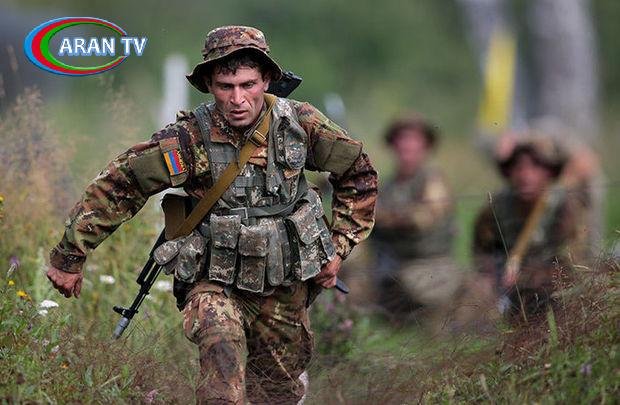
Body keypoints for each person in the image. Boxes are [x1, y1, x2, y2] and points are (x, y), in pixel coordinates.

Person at [46, 25, 378, 404]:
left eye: (248, 85)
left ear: (267, 80)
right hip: (214, 281)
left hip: (285, 284)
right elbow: (121, 184)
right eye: (225, 86)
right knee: (222, 359)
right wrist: (70, 256)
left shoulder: (299, 124)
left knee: (276, 392)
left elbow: (359, 172)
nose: (238, 99)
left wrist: (338, 247)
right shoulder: (189, 138)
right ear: (208, 85)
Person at [472, 134, 589, 321]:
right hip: (505, 286)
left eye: (535, 166)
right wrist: (491, 277)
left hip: (550, 285)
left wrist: (528, 275)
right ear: (509, 172)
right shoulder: (497, 206)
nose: (525, 175)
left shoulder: (564, 207)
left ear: (549, 172)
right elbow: (482, 251)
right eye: (518, 167)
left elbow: (574, 260)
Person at [372, 114, 460, 323]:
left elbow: (423, 218)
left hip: (431, 267)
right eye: (402, 139)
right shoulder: (389, 185)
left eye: (413, 139)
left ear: (425, 146)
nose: (407, 145)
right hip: (393, 265)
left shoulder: (433, 179)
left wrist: (383, 216)